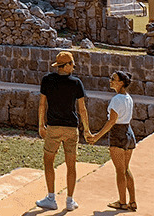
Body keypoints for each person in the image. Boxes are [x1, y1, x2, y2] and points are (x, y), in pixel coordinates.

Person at [36, 50, 91, 211]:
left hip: (53, 127)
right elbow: (82, 109)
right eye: (72, 64)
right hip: (71, 129)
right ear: (66, 66)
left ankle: (51, 198)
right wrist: (86, 130)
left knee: (48, 161)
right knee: (71, 164)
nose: (74, 67)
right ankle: (69, 200)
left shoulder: (47, 80)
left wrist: (41, 125)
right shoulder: (76, 83)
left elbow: (42, 104)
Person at [89, 70, 138, 211]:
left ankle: (122, 202)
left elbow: (111, 122)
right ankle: (132, 201)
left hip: (118, 134)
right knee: (126, 169)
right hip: (129, 133)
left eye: (113, 79)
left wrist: (97, 136)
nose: (110, 80)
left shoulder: (116, 100)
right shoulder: (128, 97)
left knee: (120, 171)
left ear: (121, 83)